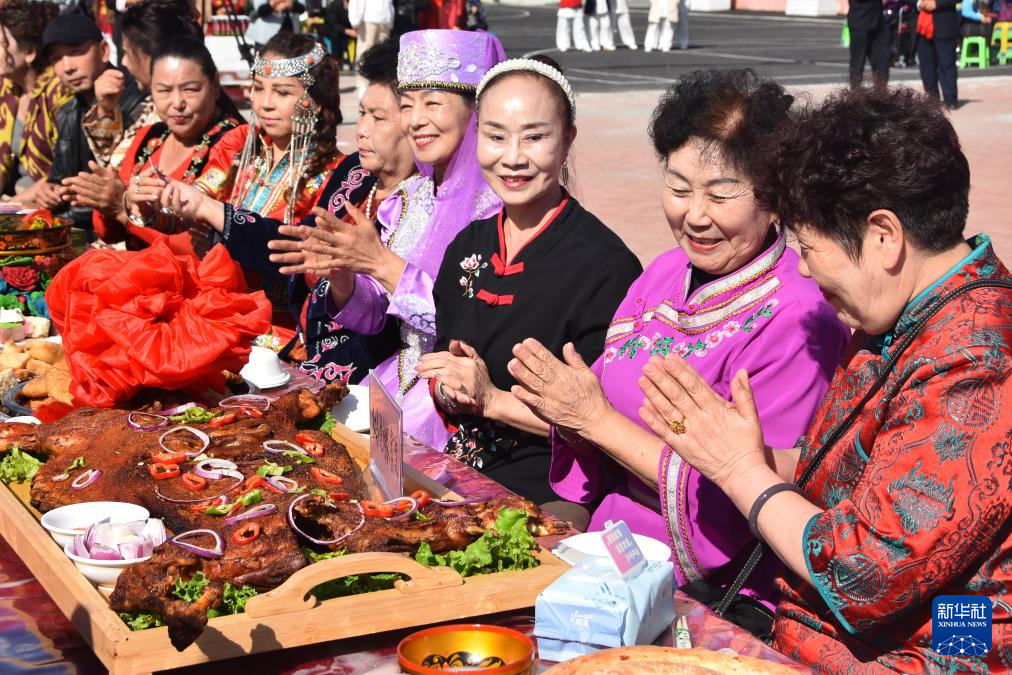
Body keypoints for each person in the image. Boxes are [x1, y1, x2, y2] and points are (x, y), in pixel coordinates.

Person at [638, 86, 1010, 672]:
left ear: (884, 236)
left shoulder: (977, 359)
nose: (805, 270)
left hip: (929, 650)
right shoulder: (905, 310)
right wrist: (744, 453)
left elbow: (867, 577)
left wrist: (740, 473)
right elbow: (849, 478)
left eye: (810, 248)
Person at [508, 70, 849, 596]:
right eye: (678, 188)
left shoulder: (801, 317)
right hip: (612, 545)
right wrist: (569, 413)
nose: (694, 216)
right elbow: (597, 407)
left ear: (774, 196)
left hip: (713, 584)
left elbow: (752, 495)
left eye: (721, 194)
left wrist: (596, 421)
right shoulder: (663, 273)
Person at [415, 57, 642, 505]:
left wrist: (492, 400)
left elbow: (606, 422)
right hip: (458, 466)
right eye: (496, 136)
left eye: (534, 137)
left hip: (551, 488)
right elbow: (444, 359)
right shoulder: (468, 244)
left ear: (567, 140)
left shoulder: (605, 266)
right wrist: (448, 386)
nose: (513, 157)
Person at [266, 30, 506, 424]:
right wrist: (344, 277)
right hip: (395, 383)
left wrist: (381, 264)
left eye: (433, 103)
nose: (416, 120)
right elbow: (376, 315)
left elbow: (474, 323)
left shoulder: (498, 209)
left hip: (457, 402)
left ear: (476, 110)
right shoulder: (410, 198)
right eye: (407, 105)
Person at [159, 33, 347, 332]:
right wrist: (156, 203)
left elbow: (295, 257)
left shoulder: (336, 174)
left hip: (278, 328)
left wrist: (211, 212)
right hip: (213, 302)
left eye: (282, 92)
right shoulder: (239, 143)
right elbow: (198, 202)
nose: (266, 103)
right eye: (259, 88)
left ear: (315, 101)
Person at [60, 0, 205, 231]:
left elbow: (192, 232)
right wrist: (105, 109)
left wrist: (120, 205)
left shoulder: (186, 120)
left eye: (127, 53)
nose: (124, 62)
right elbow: (114, 167)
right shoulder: (147, 112)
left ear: (151, 55)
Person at [90, 36, 241, 254]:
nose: (177, 103)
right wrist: (105, 200)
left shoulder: (232, 145)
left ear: (215, 86)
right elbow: (109, 233)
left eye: (190, 89)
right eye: (164, 91)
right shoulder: (150, 137)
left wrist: (122, 212)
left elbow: (197, 247)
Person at [34, 12, 147, 225]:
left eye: (75, 52)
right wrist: (49, 191)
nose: (67, 67)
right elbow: (59, 178)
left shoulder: (139, 101)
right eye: (56, 58)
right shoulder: (68, 111)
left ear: (104, 50)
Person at [0, 0, 71, 199]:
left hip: (48, 200)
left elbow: (64, 169)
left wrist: (11, 206)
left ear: (30, 52)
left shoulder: (59, 92)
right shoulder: (6, 88)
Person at [916, 0, 960, 108]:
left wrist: (937, 3)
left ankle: (950, 100)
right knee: (926, 66)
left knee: (947, 64)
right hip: (921, 25)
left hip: (945, 22)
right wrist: (920, 3)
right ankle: (932, 100)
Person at [349, 0, 394, 97]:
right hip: (368, 19)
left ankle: (381, 82)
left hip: (384, 20)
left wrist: (390, 19)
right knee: (364, 52)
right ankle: (362, 84)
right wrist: (355, 20)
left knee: (384, 54)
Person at [847, 0, 890, 86]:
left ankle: (881, 91)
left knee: (882, 61)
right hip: (860, 19)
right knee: (858, 63)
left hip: (878, 21)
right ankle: (855, 91)